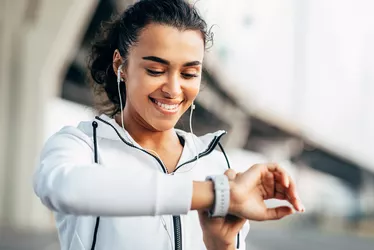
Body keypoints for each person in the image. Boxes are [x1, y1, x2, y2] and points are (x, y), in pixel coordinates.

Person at [33, 0, 305, 249]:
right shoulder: (80, 145)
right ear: (121, 65)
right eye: (155, 70)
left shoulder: (215, 160)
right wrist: (216, 194)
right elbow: (67, 189)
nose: (174, 89)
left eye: (189, 73)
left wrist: (221, 244)